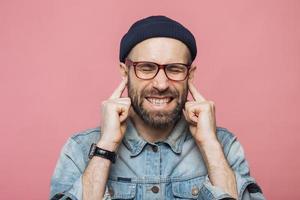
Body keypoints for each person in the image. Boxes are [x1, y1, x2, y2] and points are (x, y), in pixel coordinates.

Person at [50, 15, 265, 200]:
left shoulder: (224, 147)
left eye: (175, 69)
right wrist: (105, 146)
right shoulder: (80, 149)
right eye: (146, 68)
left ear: (190, 75)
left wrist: (209, 145)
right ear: (125, 73)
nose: (161, 84)